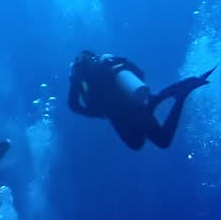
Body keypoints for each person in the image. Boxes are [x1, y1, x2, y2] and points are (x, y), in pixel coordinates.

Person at [67, 51, 213, 150]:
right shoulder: (108, 64)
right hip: (134, 106)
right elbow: (140, 74)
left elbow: (73, 105)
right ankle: (161, 97)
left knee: (150, 143)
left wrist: (96, 113)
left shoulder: (79, 78)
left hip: (119, 115)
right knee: (147, 142)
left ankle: (175, 96)